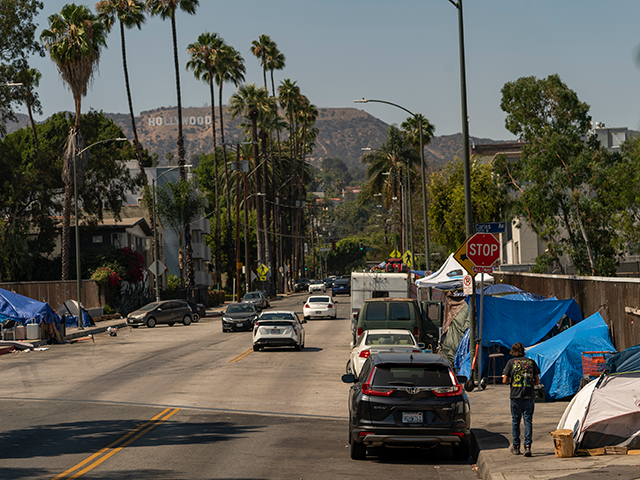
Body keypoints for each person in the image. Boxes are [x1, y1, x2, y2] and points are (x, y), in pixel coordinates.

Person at [502, 342, 540, 457]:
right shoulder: (531, 362)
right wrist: (527, 385)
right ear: (523, 351)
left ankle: (516, 447)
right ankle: (527, 446)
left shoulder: (510, 363)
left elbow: (504, 380)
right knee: (528, 421)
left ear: (513, 352)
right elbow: (537, 381)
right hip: (529, 396)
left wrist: (512, 381)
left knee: (515, 421)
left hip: (515, 396)